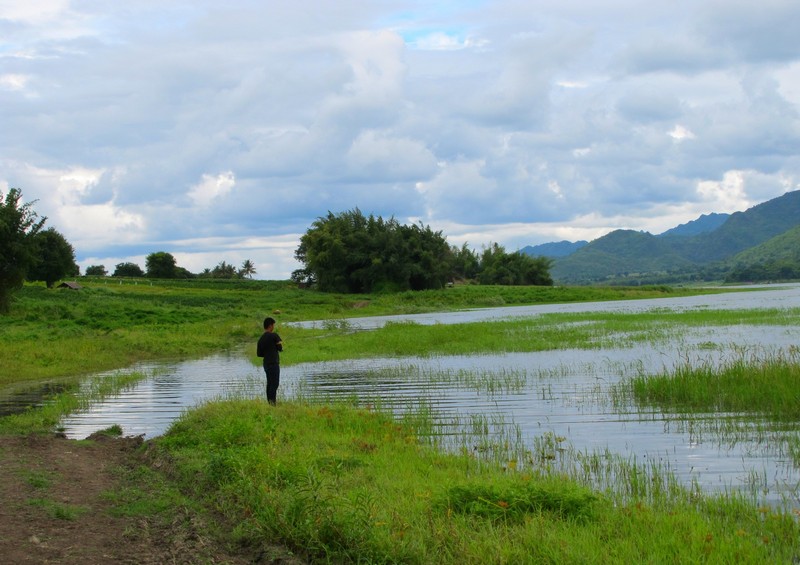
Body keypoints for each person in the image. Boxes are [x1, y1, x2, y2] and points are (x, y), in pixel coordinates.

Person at [256, 316, 283, 405]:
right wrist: (277, 345)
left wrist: (267, 352)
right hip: (274, 363)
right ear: (270, 326)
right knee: (274, 384)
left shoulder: (261, 339)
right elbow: (280, 348)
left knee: (269, 383)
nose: (273, 327)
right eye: (273, 325)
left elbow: (259, 354)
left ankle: (269, 403)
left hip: (266, 364)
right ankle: (273, 404)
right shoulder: (274, 335)